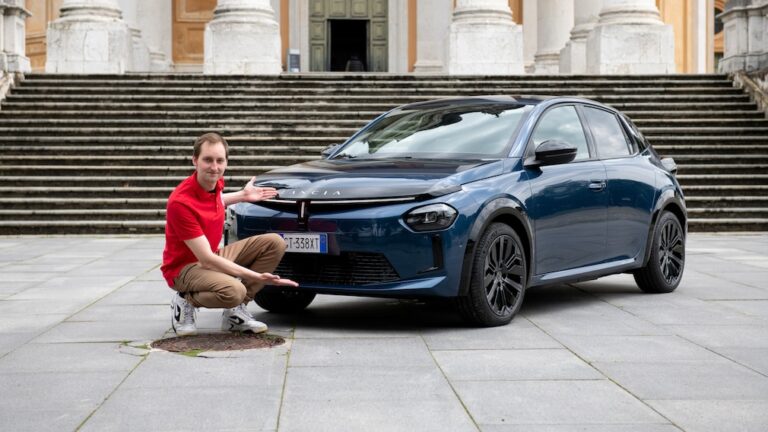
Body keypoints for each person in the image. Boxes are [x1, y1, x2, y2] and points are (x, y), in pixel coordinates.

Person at [161, 132, 298, 336]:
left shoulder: (213, 184)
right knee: (235, 291)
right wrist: (257, 277)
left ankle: (235, 314)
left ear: (226, 162)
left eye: (220, 160)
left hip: (211, 256)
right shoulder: (180, 202)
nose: (214, 167)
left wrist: (243, 195)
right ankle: (185, 300)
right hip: (183, 269)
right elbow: (206, 259)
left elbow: (213, 201)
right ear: (195, 160)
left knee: (274, 243)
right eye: (208, 160)